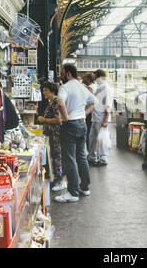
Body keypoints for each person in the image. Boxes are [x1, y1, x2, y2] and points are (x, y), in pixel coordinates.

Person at [55, 64, 96, 203]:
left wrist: (65, 117)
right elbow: (94, 103)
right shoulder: (83, 88)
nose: (61, 76)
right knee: (81, 157)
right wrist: (84, 114)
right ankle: (85, 187)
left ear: (68, 74)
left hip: (70, 125)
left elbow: (60, 102)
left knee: (69, 158)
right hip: (81, 124)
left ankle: (73, 193)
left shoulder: (65, 87)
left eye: (62, 73)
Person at [38, 82, 66, 192]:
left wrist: (44, 120)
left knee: (58, 156)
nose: (44, 92)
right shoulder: (51, 102)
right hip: (52, 134)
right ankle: (58, 179)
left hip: (56, 134)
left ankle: (61, 181)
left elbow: (58, 120)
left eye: (46, 90)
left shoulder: (55, 103)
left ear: (52, 91)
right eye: (43, 90)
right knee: (56, 156)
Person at [88, 69, 114, 166]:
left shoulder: (107, 89)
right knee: (92, 138)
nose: (94, 79)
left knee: (102, 140)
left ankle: (103, 159)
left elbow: (108, 107)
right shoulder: (99, 88)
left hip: (101, 119)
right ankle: (91, 156)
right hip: (95, 118)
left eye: (95, 77)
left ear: (99, 76)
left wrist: (105, 121)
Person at [81, 72, 96, 153]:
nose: (83, 78)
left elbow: (89, 101)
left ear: (89, 79)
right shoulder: (92, 86)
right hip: (92, 114)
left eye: (85, 77)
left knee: (88, 134)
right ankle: (91, 152)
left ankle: (90, 153)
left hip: (90, 114)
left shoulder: (90, 88)